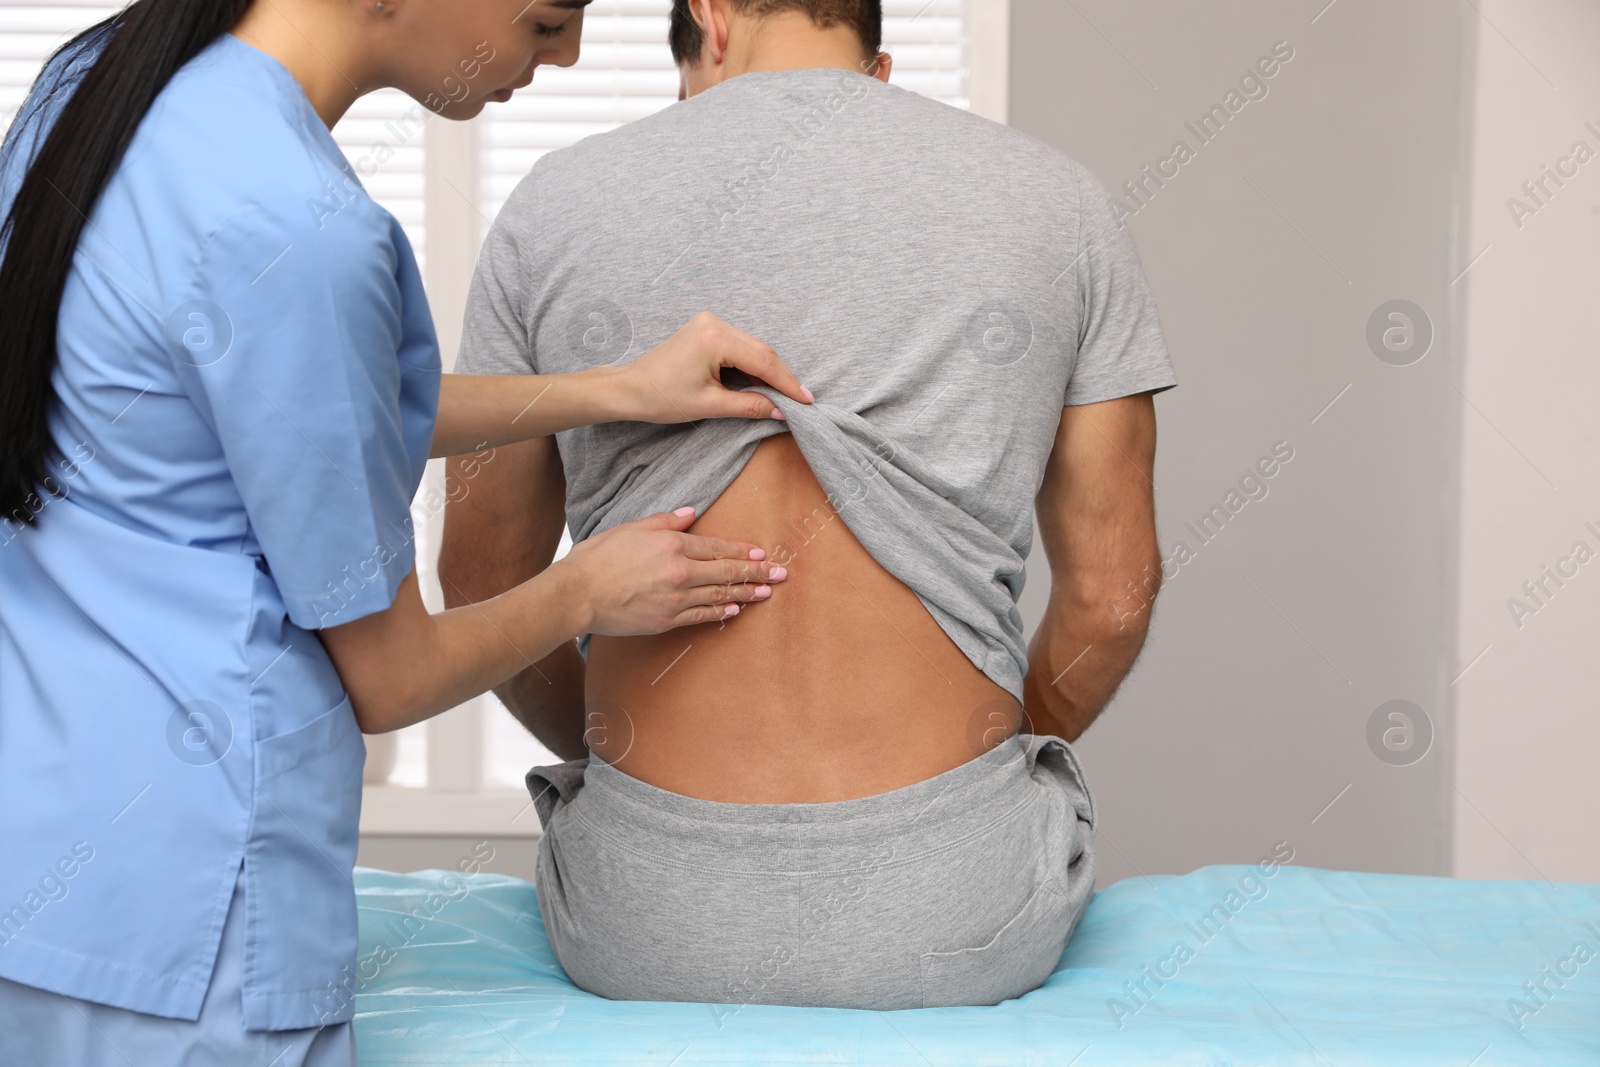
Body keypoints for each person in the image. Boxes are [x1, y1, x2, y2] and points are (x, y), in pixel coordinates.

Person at [0, 0, 814, 1062]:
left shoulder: (101, 86)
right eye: (548, 18)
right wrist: (588, 587)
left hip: (43, 851)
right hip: (192, 919)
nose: (566, 54)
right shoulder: (298, 225)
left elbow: (287, 404)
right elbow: (392, 674)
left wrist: (611, 388)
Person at [441, 0, 1176, 1010]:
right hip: (964, 910)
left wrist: (616, 761)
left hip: (643, 916)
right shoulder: (1063, 204)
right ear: (872, 55)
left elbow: (482, 576)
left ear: (709, 19)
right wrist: (988, 760)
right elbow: (1114, 596)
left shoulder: (553, 204)